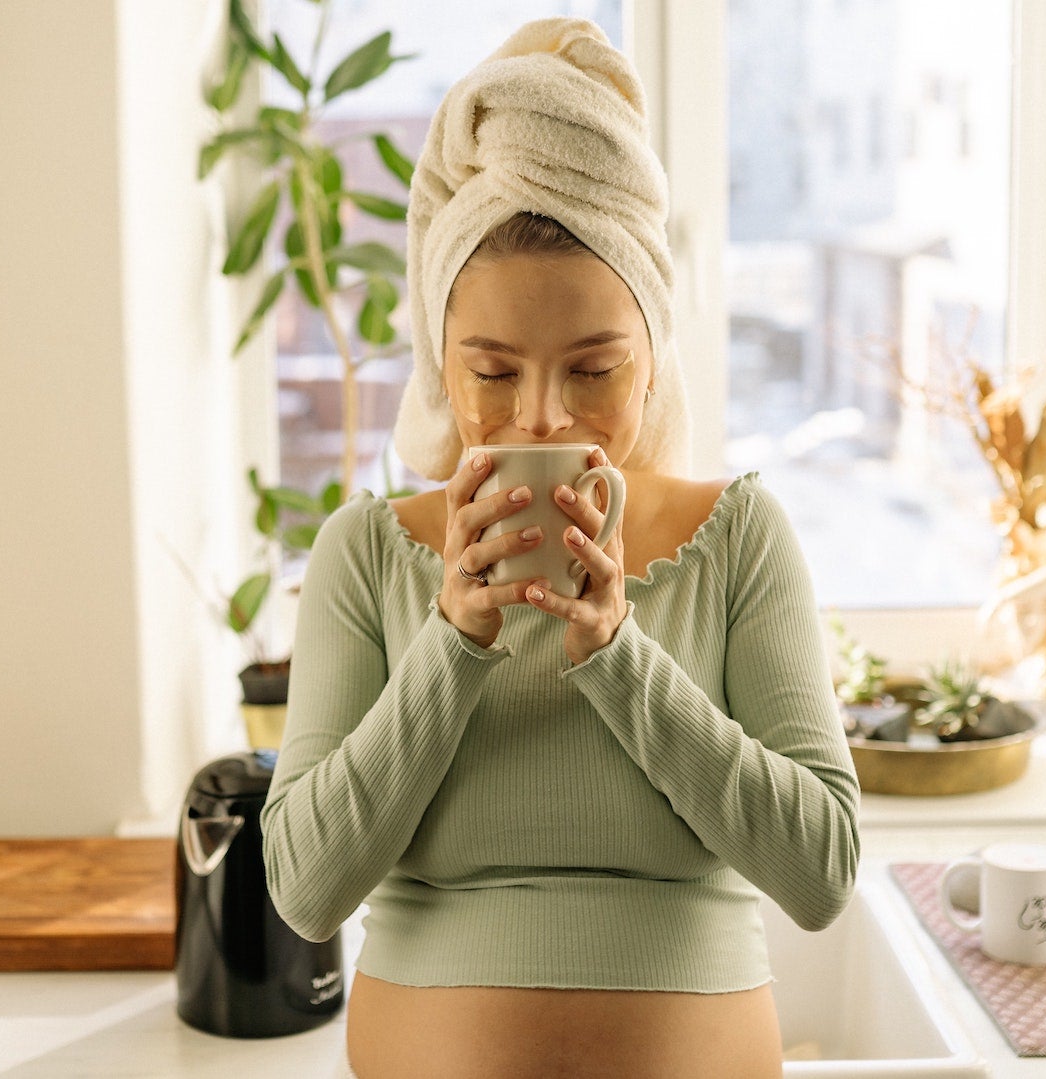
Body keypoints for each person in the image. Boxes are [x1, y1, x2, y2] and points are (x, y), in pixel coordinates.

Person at [261, 19, 858, 1079]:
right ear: (441, 366)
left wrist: (617, 651)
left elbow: (817, 873)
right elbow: (305, 886)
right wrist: (451, 640)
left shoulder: (739, 537)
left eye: (592, 370)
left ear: (651, 362)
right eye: (492, 371)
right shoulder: (366, 554)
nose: (540, 418)